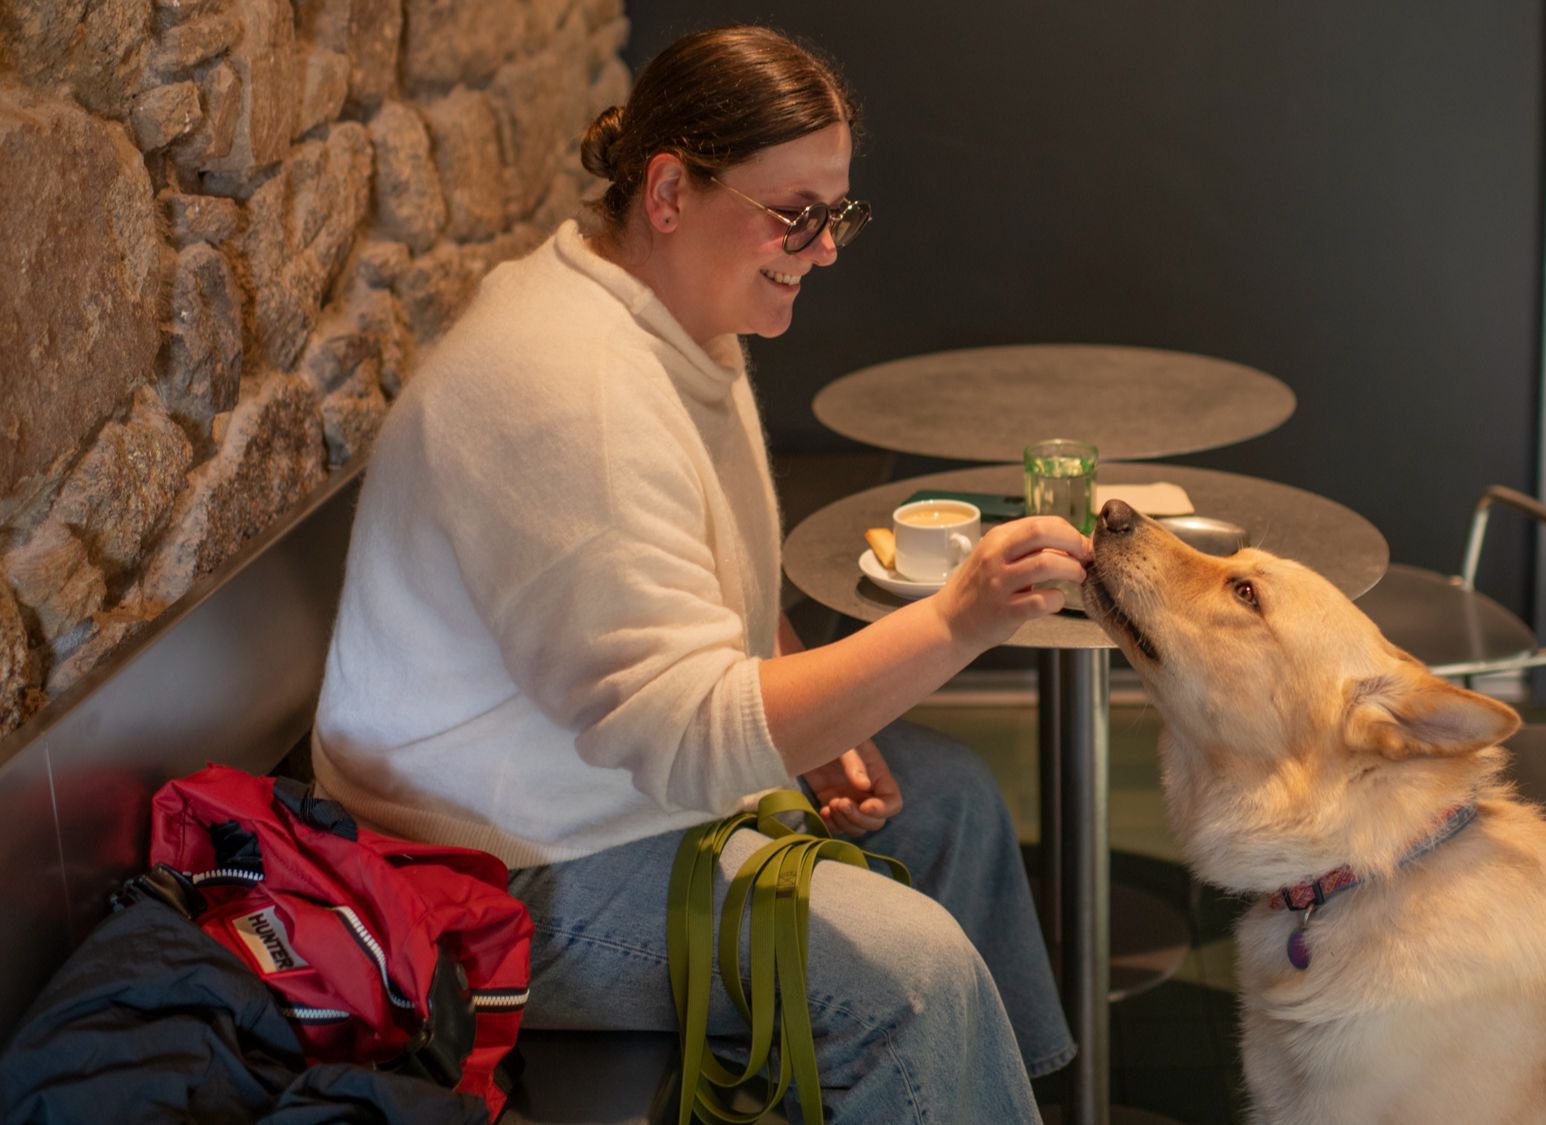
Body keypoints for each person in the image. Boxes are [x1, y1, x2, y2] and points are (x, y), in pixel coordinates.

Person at [311, 24, 1087, 1122]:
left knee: (951, 803)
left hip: (595, 788)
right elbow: (679, 738)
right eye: (794, 214)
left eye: (837, 213)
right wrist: (956, 622)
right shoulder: (569, 392)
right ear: (669, 189)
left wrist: (796, 684)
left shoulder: (666, 310)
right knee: (911, 976)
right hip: (494, 859)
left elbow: (692, 568)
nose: (823, 248)